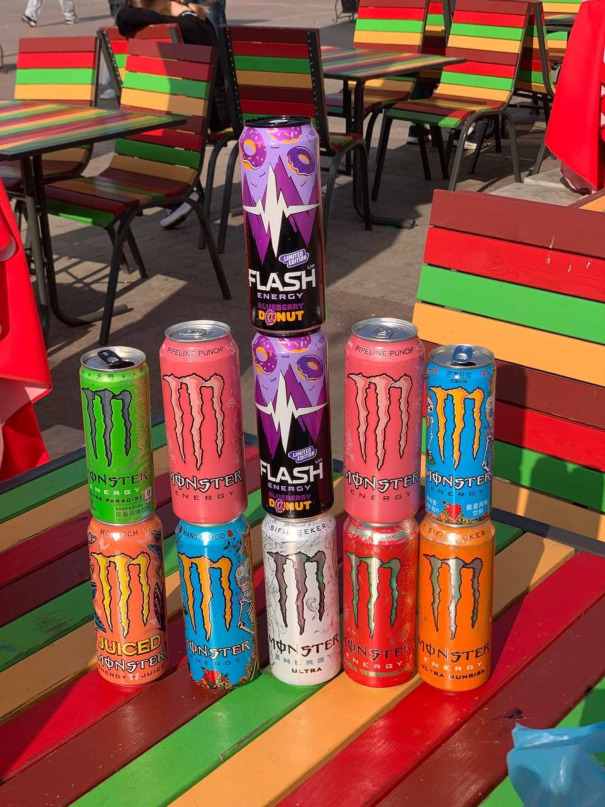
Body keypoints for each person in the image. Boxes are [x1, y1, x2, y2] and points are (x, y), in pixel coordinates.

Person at [117, 0, 230, 229]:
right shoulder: (194, 25)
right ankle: (181, 193)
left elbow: (123, 17)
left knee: (153, 123)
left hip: (175, 113)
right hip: (213, 116)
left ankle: (178, 195)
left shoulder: (159, 27)